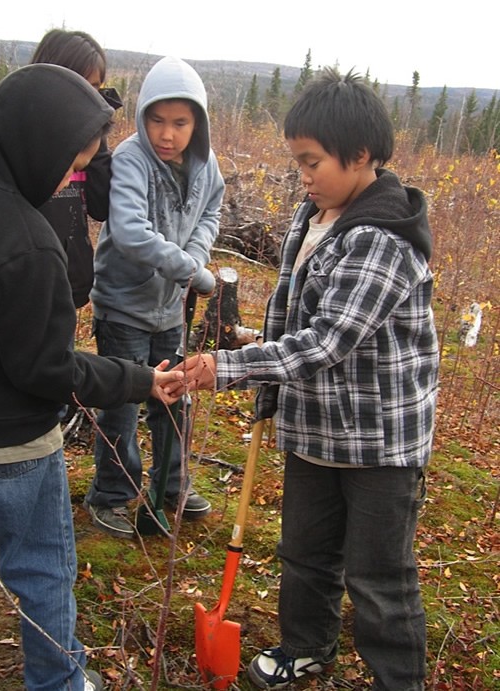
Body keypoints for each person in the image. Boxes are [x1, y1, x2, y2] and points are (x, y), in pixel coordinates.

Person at [0, 64, 182, 691]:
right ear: (32, 142)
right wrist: (139, 380)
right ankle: (59, 681)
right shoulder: (29, 244)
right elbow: (44, 370)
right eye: (67, 162)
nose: (68, 179)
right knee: (42, 570)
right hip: (11, 448)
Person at [168, 69, 439, 690]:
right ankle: (307, 646)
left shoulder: (382, 238)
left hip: (377, 443)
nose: (304, 176)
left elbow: (326, 342)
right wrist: (264, 383)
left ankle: (399, 678)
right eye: (298, 162)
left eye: (313, 162)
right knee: (306, 552)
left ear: (362, 155)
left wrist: (225, 368)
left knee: (378, 576)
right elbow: (290, 314)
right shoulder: (313, 214)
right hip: (316, 429)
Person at [84, 55, 225, 539]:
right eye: (157, 120)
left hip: (171, 309)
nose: (168, 134)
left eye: (181, 123)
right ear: (143, 116)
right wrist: (191, 269)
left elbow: (211, 212)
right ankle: (113, 493)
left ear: (197, 122)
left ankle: (172, 484)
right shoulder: (130, 159)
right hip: (123, 305)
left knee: (175, 396)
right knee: (123, 400)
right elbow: (128, 231)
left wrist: (197, 256)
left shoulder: (207, 166)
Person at [31, 28, 123, 309]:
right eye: (78, 86)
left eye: (94, 90)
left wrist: (96, 134)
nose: (87, 100)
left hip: (71, 288)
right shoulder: (26, 142)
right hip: (31, 290)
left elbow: (101, 206)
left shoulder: (87, 148)